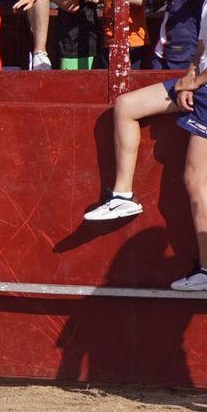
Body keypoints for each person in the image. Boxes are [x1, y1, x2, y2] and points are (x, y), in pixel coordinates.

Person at [83, 37, 207, 289]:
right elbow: (202, 47)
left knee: (197, 181)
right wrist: (188, 79)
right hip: (200, 85)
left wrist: (195, 81)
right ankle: (122, 196)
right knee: (127, 105)